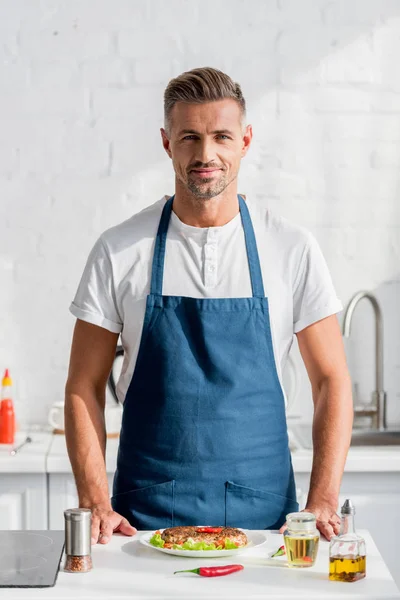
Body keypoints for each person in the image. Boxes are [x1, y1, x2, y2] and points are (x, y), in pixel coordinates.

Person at [65, 67, 353, 546]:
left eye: (222, 136)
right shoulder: (119, 249)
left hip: (266, 525)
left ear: (245, 140)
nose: (206, 154)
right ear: (166, 142)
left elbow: (332, 380)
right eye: (189, 137)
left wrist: (322, 499)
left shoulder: (291, 248)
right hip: (143, 523)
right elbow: (83, 386)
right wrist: (96, 502)